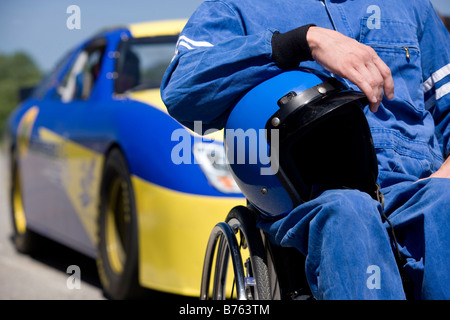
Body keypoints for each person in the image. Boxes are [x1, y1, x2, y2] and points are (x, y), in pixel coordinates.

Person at [161, 0, 450, 299]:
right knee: (349, 213)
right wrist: (299, 42)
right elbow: (182, 91)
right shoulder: (236, 7)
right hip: (310, 198)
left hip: (417, 190)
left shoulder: (411, 5)